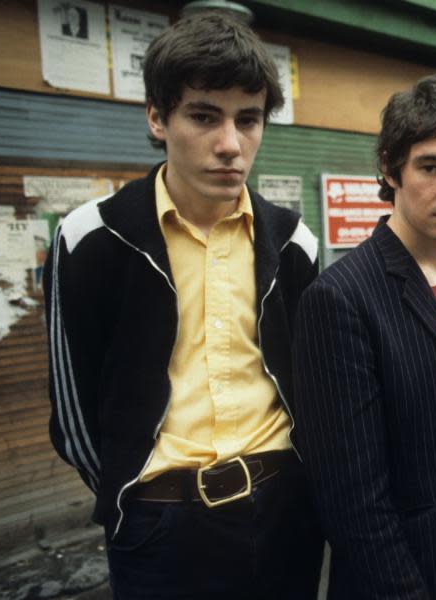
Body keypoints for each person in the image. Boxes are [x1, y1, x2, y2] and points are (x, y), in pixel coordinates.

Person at [43, 13, 322, 598]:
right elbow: (73, 414)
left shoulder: (295, 242)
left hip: (284, 512)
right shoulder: (93, 237)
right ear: (156, 117)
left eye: (248, 120)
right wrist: (132, 495)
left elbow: (311, 384)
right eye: (203, 115)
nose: (229, 144)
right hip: (160, 526)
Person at [293, 72, 436, 598]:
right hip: (408, 578)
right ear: (391, 169)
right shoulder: (339, 298)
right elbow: (351, 500)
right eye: (431, 166)